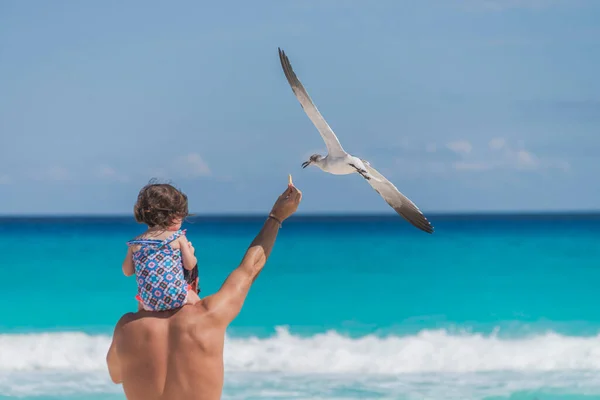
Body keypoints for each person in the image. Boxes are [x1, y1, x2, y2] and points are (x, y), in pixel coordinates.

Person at [106, 180, 302, 400]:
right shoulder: (209, 315)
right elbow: (249, 268)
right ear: (191, 279)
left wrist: (145, 304)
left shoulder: (127, 327)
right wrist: (276, 217)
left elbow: (116, 375)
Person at [122, 182, 200, 311]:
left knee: (140, 304)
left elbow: (127, 272)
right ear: (172, 216)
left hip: (148, 302)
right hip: (177, 296)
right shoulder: (177, 237)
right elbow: (189, 265)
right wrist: (191, 253)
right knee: (201, 308)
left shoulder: (135, 243)